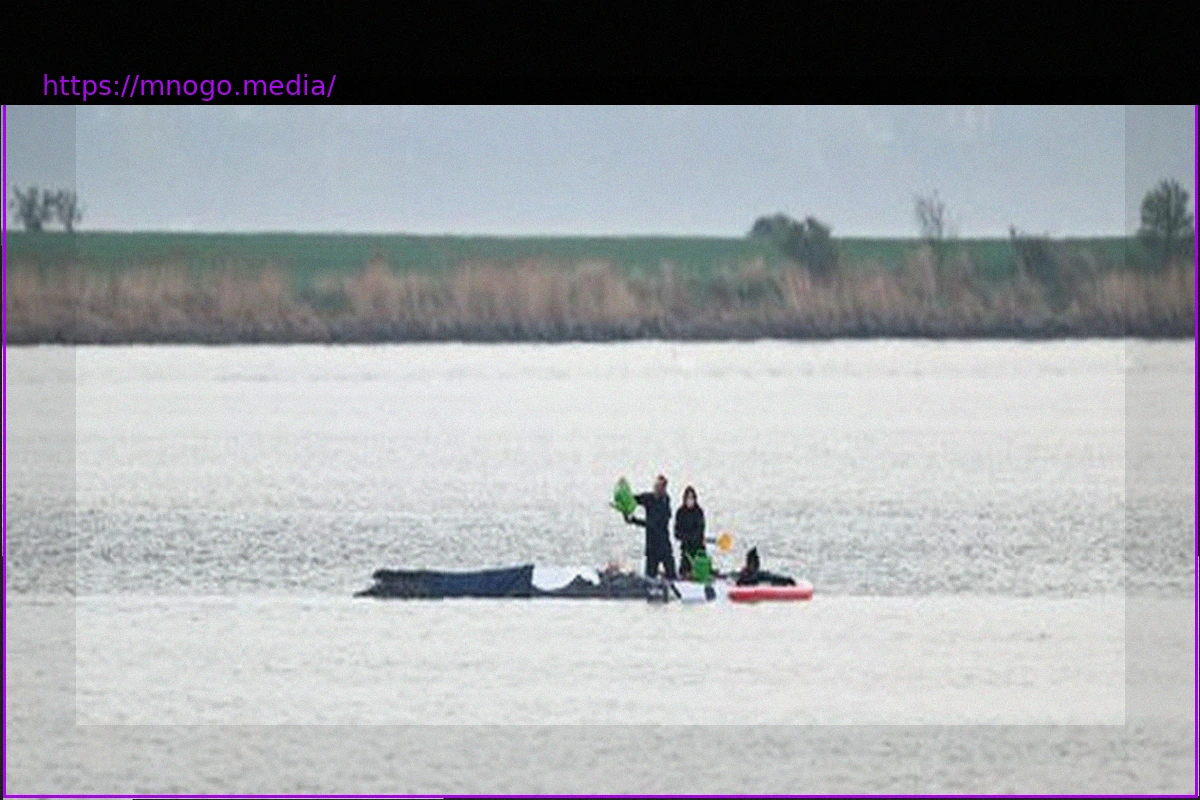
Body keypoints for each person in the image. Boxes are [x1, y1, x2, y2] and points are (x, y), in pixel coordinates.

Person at [624, 474, 676, 580]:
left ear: (664, 488)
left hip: (664, 545)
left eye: (660, 487)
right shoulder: (649, 498)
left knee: (672, 575)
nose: (657, 489)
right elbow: (633, 499)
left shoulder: (665, 503)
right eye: (656, 486)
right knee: (650, 576)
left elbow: (653, 524)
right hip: (651, 546)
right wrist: (624, 504)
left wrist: (634, 520)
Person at [674, 486, 706, 579]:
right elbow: (677, 531)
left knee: (698, 569)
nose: (690, 500)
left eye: (692, 498)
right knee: (684, 570)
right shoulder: (680, 512)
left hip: (698, 548)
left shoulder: (699, 512)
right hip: (686, 548)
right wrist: (684, 537)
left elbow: (700, 528)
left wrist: (693, 537)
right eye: (688, 498)